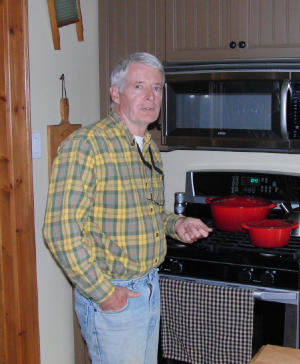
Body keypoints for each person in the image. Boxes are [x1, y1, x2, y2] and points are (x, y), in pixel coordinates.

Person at [43, 52, 212, 364]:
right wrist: (105, 293)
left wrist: (176, 224)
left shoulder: (148, 147)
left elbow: (145, 213)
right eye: (138, 86)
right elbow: (59, 232)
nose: (150, 97)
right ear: (115, 93)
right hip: (114, 293)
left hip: (148, 287)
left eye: (157, 88)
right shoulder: (86, 146)